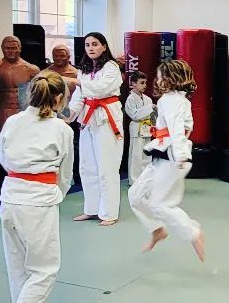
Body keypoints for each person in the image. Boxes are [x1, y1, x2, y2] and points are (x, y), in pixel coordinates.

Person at [0, 71, 75, 303]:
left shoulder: (13, 121)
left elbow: (1, 156)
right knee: (44, 267)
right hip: (38, 201)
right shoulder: (61, 129)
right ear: (58, 98)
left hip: (10, 196)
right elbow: (65, 173)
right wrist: (56, 194)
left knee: (18, 263)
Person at [130, 60, 205, 261]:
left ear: (171, 79)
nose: (158, 79)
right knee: (135, 195)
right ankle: (157, 230)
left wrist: (180, 155)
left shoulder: (171, 100)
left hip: (173, 156)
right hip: (163, 154)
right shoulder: (175, 99)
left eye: (161, 76)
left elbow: (176, 129)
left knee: (159, 204)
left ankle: (193, 232)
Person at [66, 32, 124, 226]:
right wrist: (68, 115)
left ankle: (109, 213)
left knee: (107, 167)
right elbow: (79, 97)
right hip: (87, 120)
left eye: (95, 44)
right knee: (87, 166)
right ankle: (91, 209)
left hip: (106, 119)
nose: (90, 48)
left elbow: (100, 88)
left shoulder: (112, 67)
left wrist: (77, 81)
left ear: (104, 46)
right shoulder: (83, 70)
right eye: (87, 45)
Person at [125, 70, 155, 185]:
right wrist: (149, 109)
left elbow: (152, 115)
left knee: (147, 156)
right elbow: (134, 115)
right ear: (133, 83)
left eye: (145, 83)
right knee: (136, 156)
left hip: (147, 128)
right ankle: (134, 180)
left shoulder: (148, 99)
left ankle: (145, 179)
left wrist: (154, 125)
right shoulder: (130, 99)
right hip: (136, 128)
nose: (144, 85)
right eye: (141, 83)